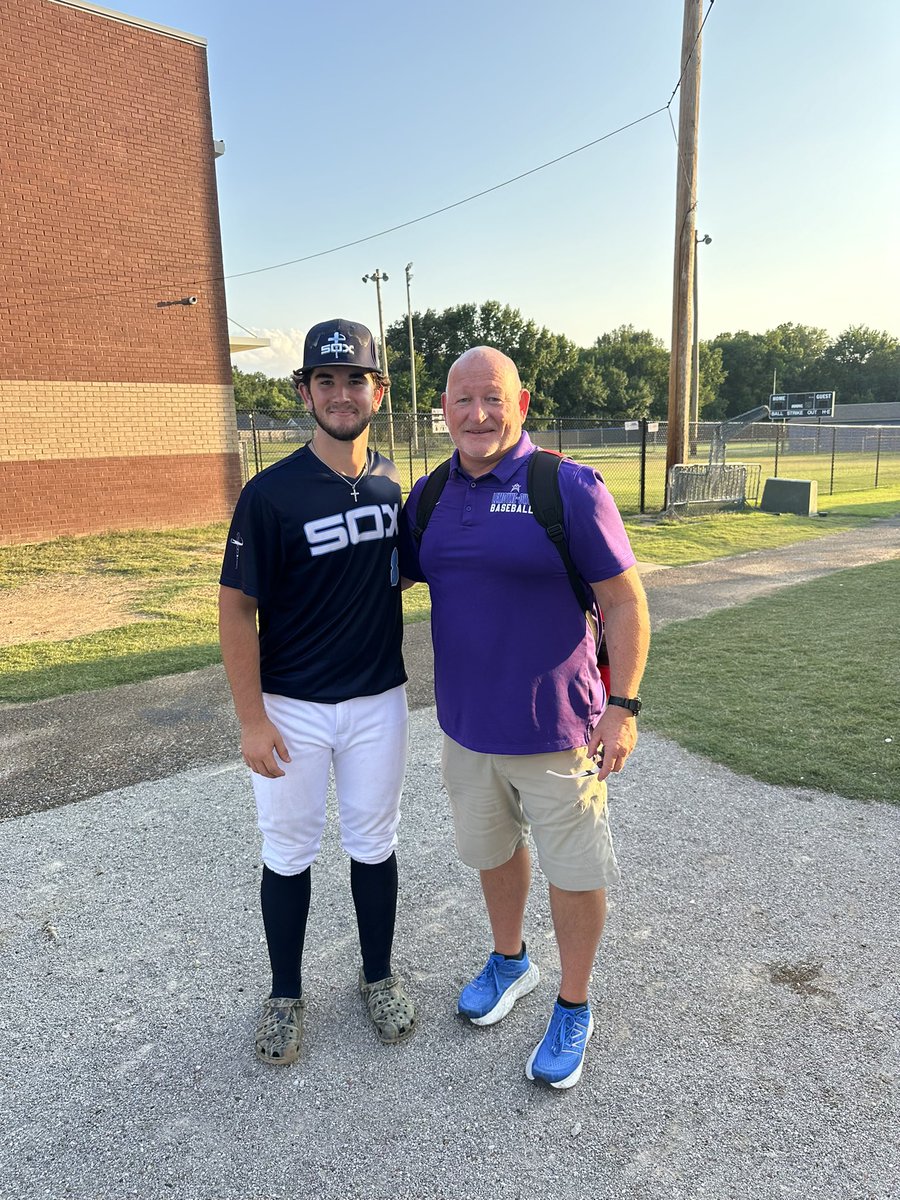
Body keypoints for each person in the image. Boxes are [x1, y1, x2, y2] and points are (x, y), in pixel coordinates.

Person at [399, 346, 649, 1089]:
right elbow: (388, 574)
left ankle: (573, 1003)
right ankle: (511, 961)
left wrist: (624, 706)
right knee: (492, 851)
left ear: (522, 403)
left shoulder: (565, 488)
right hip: (467, 729)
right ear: (442, 410)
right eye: (462, 401)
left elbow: (625, 601)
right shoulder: (431, 493)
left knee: (574, 870)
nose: (477, 414)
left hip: (559, 732)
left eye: (492, 399)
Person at [219, 317, 416, 1066]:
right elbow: (236, 606)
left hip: (376, 701)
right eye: (325, 379)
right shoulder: (269, 495)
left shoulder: (396, 485)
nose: (341, 393)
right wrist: (251, 719)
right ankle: (284, 995)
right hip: (292, 706)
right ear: (304, 389)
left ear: (378, 389)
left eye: (354, 378)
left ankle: (377, 977)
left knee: (374, 844)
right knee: (289, 851)